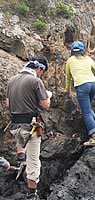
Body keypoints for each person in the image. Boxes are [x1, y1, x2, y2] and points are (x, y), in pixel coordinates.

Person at [6, 56, 51, 200]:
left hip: (15, 125)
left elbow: (9, 105)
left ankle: (20, 158)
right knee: (34, 161)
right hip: (31, 126)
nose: (41, 75)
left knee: (21, 144)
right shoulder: (35, 81)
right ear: (39, 68)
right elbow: (45, 105)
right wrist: (48, 96)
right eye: (42, 72)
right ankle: (31, 194)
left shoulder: (12, 80)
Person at [65, 41, 95, 146]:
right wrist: (91, 76)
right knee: (88, 107)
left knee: (86, 112)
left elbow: (68, 77)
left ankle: (94, 136)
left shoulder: (70, 61)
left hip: (82, 86)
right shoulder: (88, 58)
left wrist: (67, 90)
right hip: (92, 84)